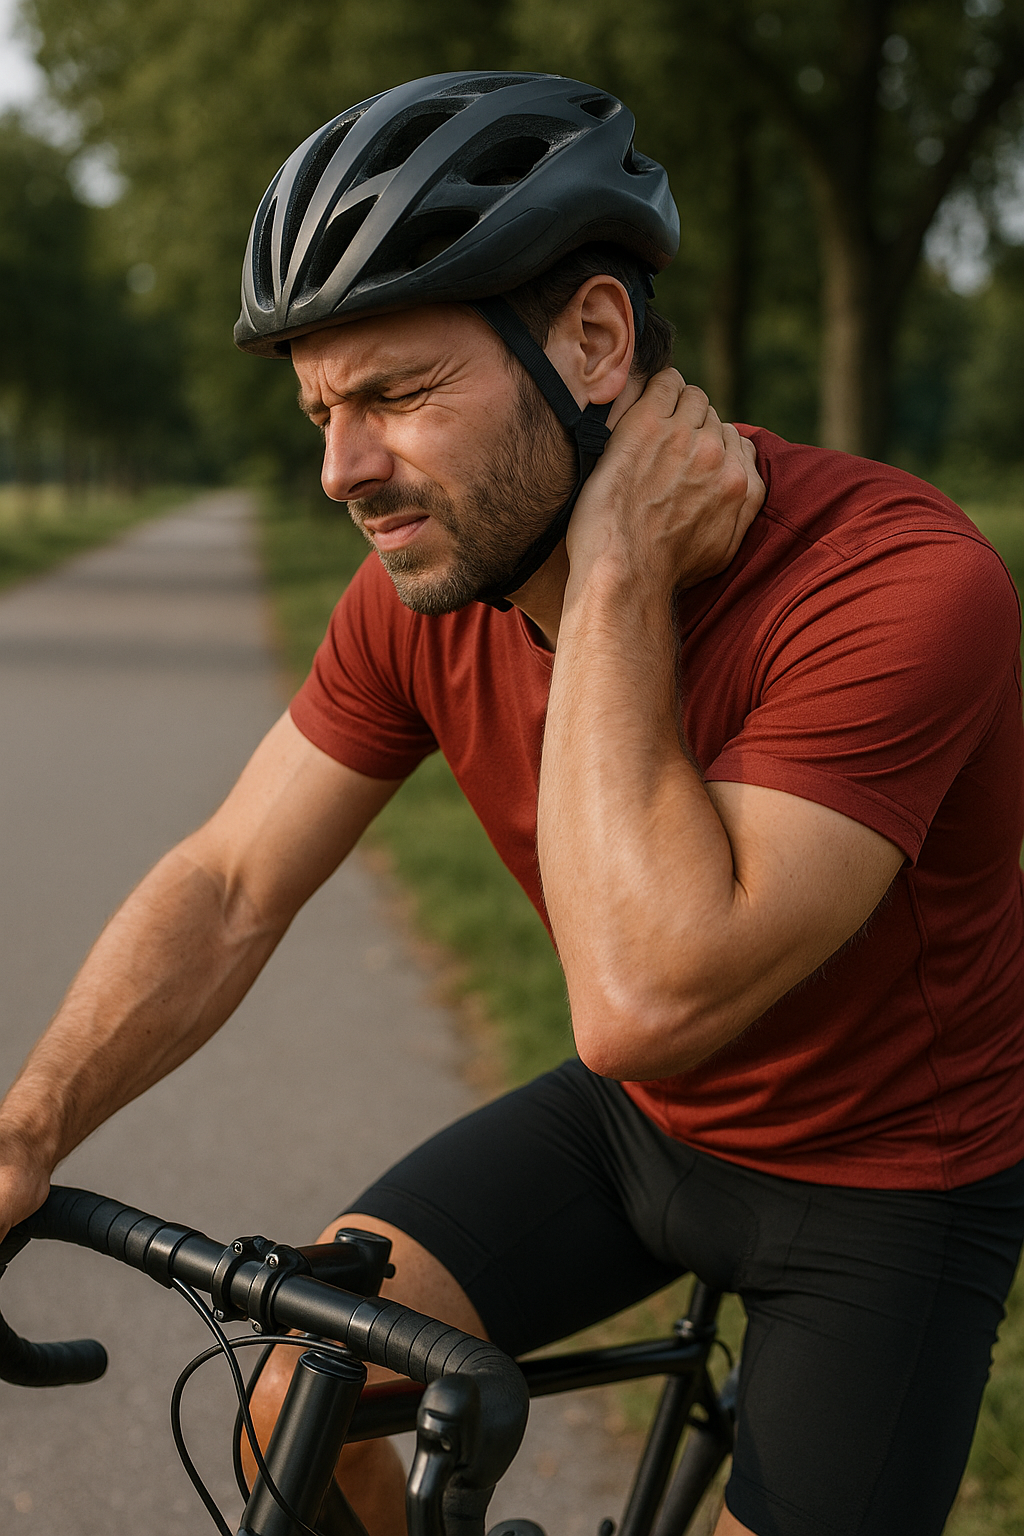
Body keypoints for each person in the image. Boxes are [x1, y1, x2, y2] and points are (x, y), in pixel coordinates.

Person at [1, 69, 1022, 1536]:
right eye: (321, 411)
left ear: (594, 339)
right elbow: (233, 880)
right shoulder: (424, 584)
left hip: (888, 1187)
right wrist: (29, 1127)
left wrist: (613, 573)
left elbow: (644, 998)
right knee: (296, 1406)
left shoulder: (902, 585)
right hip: (638, 1130)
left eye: (397, 396)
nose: (346, 469)